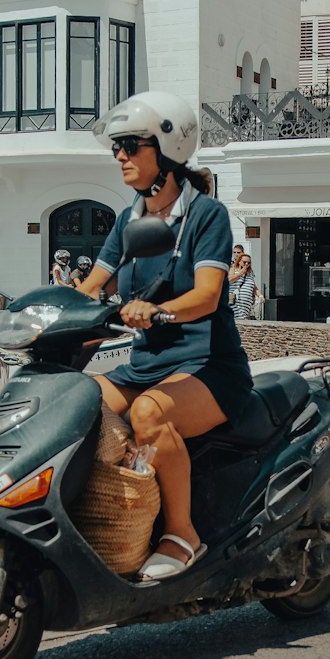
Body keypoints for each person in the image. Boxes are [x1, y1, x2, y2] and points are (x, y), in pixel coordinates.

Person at [79, 91, 253, 582]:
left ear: (168, 150)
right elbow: (95, 284)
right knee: (76, 400)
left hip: (208, 367)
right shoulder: (129, 218)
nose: (120, 157)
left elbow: (206, 295)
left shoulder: (205, 216)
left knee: (147, 412)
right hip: (148, 367)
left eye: (131, 145)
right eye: (117, 147)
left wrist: (155, 312)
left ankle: (183, 534)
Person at [229, 252, 260, 320]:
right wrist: (240, 273)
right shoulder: (233, 269)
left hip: (245, 305)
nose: (246, 264)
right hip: (235, 302)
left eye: (249, 263)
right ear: (239, 261)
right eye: (244, 262)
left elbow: (253, 286)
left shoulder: (250, 273)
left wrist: (260, 295)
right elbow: (229, 280)